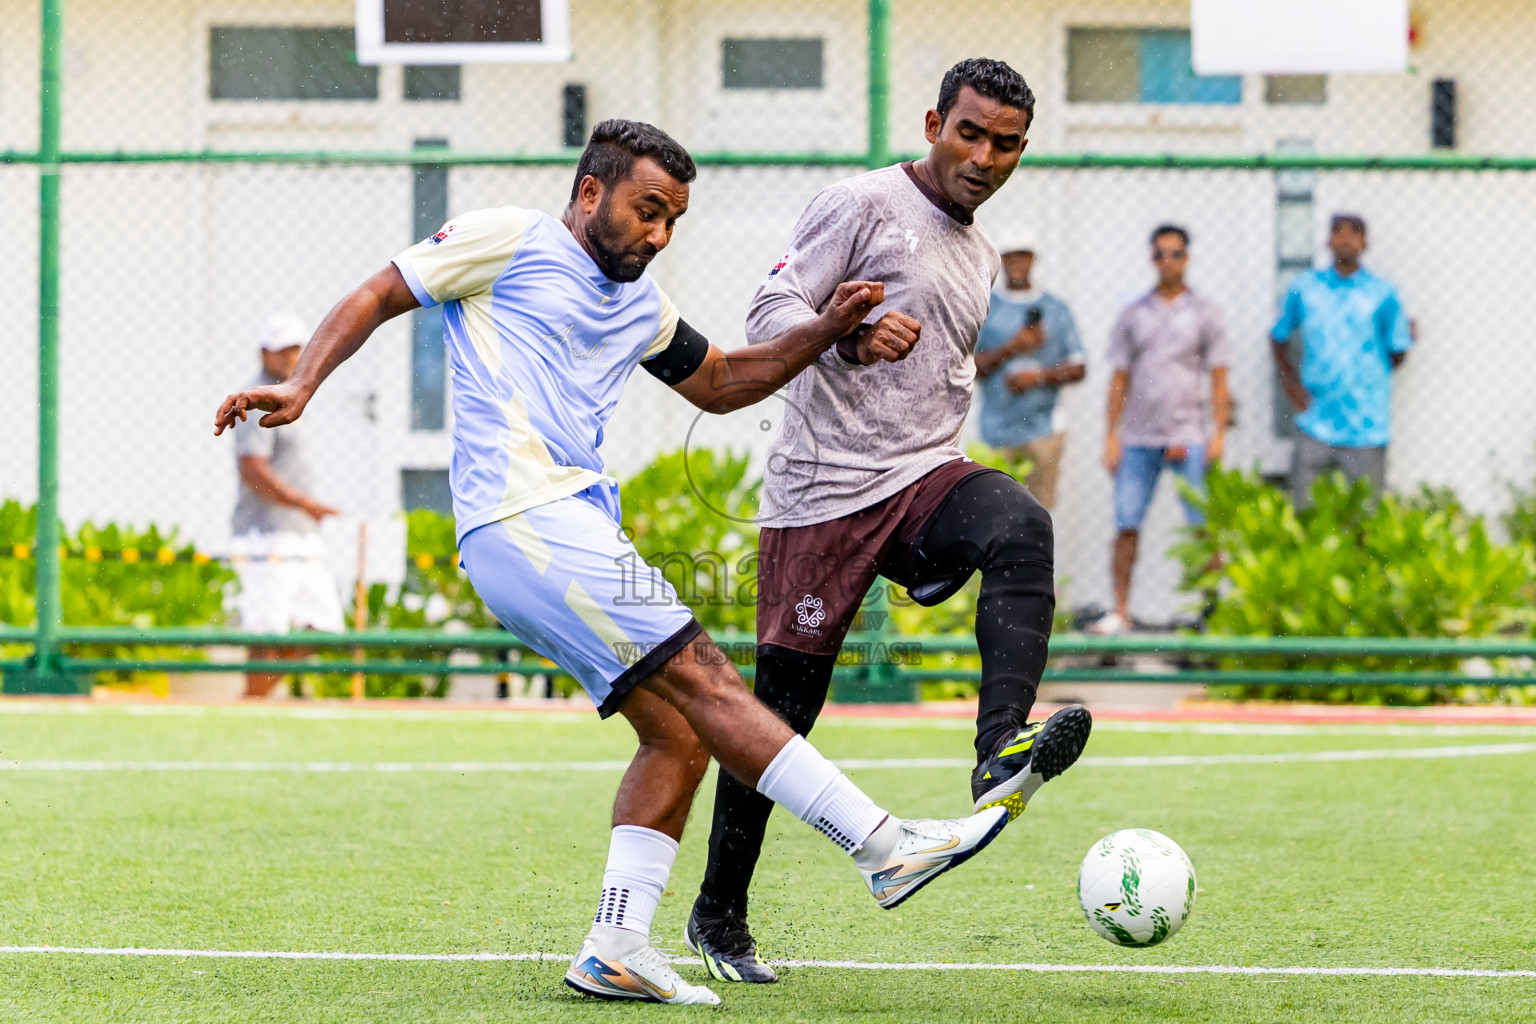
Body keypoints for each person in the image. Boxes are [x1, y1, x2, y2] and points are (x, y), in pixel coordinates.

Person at [213, 119, 1012, 1007]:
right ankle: (884, 847)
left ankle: (617, 944)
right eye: (647, 210)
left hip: (566, 528)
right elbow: (378, 293)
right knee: (711, 684)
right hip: (524, 518)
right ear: (591, 193)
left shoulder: (641, 304)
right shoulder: (508, 238)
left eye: (673, 218)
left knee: (677, 734)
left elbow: (726, 382)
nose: (659, 233)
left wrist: (827, 328)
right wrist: (302, 383)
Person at [686, 59, 1093, 986]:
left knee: (1023, 527)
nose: (985, 156)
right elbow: (768, 308)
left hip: (918, 478)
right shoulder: (862, 205)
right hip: (821, 497)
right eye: (971, 133)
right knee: (779, 719)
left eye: (1007, 143)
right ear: (933, 123)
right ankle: (718, 914)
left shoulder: (980, 252)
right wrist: (849, 332)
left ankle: (1000, 756)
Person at [1095, 225, 1231, 636]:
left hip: (1188, 434)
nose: (1167, 261)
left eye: (1175, 254)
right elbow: (1118, 377)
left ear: (1186, 258)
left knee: (1202, 526)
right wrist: (1111, 435)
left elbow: (1219, 376)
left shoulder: (1205, 313)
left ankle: (1212, 613)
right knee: (1126, 523)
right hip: (1138, 437)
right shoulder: (1134, 313)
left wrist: (1218, 433)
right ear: (1151, 259)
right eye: (1160, 254)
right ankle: (1121, 610)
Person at [230, 313, 345, 697]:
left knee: (324, 624)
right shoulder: (256, 396)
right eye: (283, 348)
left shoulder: (293, 393)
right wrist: (306, 504)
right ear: (264, 352)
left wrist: (307, 512)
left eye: (297, 346)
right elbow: (252, 468)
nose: (292, 355)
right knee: (266, 629)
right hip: (265, 532)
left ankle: (254, 699)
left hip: (299, 532)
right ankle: (253, 705)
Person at [1271, 213, 1411, 508]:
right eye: (1339, 232)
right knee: (1305, 512)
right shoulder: (1305, 288)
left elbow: (1398, 349)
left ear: (1365, 243)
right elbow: (1278, 336)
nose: (1345, 239)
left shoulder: (1383, 293)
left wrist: (1367, 374)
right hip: (1316, 422)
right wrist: (1290, 383)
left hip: (1366, 425)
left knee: (1364, 516)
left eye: (1354, 233)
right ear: (1328, 241)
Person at [973, 231, 1086, 508]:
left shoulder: (1056, 309)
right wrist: (1011, 348)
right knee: (994, 511)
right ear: (1001, 259)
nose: (1017, 263)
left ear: (1033, 259)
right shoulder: (987, 306)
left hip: (1043, 430)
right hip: (995, 430)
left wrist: (1040, 377)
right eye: (1010, 256)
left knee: (1038, 511)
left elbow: (1079, 367)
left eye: (1023, 255)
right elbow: (969, 367)